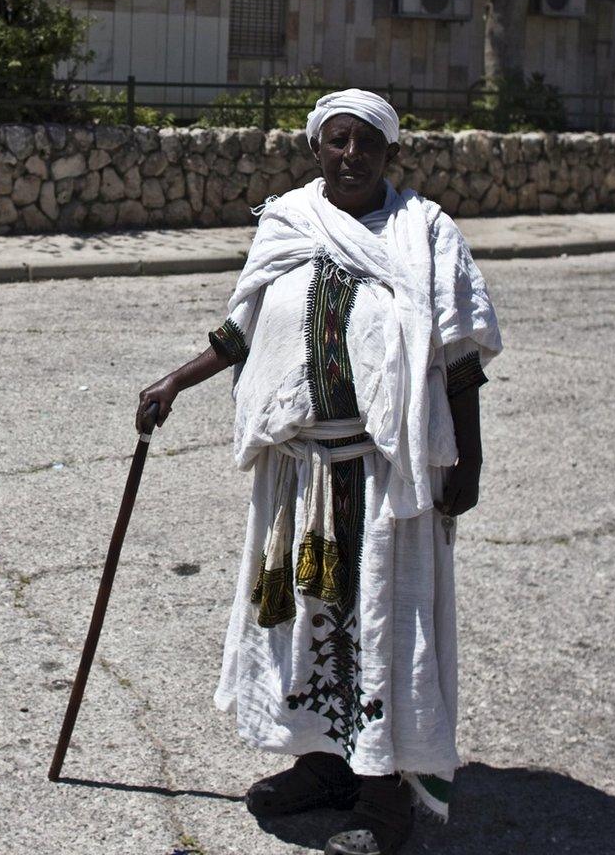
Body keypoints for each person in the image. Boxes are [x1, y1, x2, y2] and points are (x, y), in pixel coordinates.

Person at [137, 90, 501, 855]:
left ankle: (383, 798)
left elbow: (458, 357)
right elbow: (241, 332)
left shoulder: (424, 234)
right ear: (316, 149)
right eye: (337, 142)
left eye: (366, 143)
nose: (351, 155)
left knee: (379, 626)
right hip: (298, 478)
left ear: (390, 154)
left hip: (384, 478)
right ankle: (321, 765)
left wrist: (464, 458)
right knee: (302, 622)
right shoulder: (289, 224)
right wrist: (174, 380)